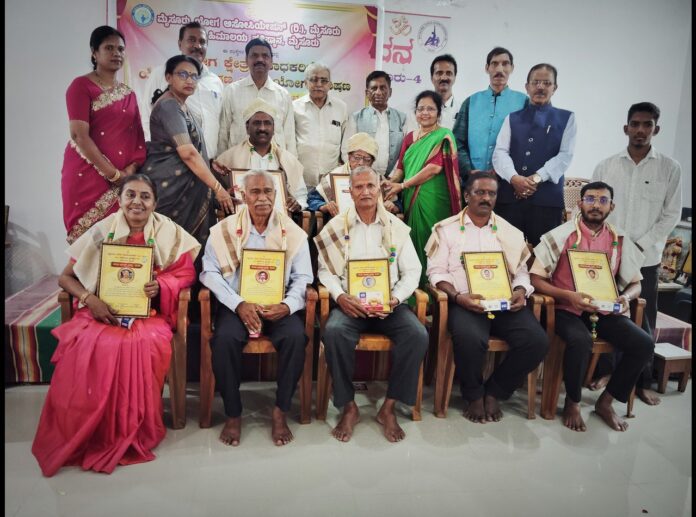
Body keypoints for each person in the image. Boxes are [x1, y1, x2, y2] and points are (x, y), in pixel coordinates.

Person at [32, 174, 200, 476]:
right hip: (102, 310)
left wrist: (161, 285)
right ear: (120, 200)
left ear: (155, 203)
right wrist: (90, 299)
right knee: (88, 342)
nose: (137, 202)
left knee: (139, 343)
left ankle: (132, 427)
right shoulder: (101, 231)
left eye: (145, 196)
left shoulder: (169, 232)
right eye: (130, 194)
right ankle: (91, 425)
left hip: (149, 314)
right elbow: (65, 277)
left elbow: (185, 275)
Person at [200, 170, 313, 447]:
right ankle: (233, 413)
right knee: (224, 340)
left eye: (268, 191)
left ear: (276, 195)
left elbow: (303, 278)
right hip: (238, 304)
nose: (262, 198)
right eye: (255, 192)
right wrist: (238, 304)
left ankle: (280, 410)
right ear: (243, 195)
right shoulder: (224, 231)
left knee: (295, 338)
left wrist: (287, 306)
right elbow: (209, 273)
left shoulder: (292, 233)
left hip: (278, 304)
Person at [530, 181, 653, 431]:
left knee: (643, 343)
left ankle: (606, 402)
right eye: (590, 199)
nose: (596, 205)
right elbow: (535, 279)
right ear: (580, 203)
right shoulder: (561, 235)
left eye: (603, 200)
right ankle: (573, 402)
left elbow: (636, 284)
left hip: (604, 310)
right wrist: (567, 295)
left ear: (611, 207)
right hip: (566, 309)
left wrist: (625, 297)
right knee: (580, 340)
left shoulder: (619, 238)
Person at [315, 166, 427, 442]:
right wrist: (340, 296)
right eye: (359, 187)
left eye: (370, 186)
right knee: (334, 332)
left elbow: (413, 271)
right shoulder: (335, 227)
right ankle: (348, 406)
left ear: (379, 189)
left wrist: (396, 298)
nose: (365, 191)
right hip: (350, 304)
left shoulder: (396, 228)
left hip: (389, 305)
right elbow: (325, 272)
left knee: (417, 335)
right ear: (350, 191)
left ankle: (389, 407)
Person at [426, 172, 548, 423]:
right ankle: (473, 395)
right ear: (466, 195)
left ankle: (495, 391)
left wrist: (520, 291)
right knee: (470, 338)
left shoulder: (510, 232)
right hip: (465, 302)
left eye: (491, 193)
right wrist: (458, 297)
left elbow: (521, 272)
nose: (486, 198)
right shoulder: (446, 230)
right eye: (480, 192)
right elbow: (435, 272)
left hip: (505, 304)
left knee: (536, 341)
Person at [592, 102, 682, 406]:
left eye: (647, 125)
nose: (640, 130)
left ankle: (641, 382)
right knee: (607, 312)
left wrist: (641, 244)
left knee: (644, 320)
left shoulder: (670, 168)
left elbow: (671, 214)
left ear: (656, 129)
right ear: (626, 128)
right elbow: (596, 208)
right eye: (635, 124)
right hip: (609, 256)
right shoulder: (607, 166)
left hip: (646, 258)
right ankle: (607, 373)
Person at [61, 25, 146, 244]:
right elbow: (79, 135)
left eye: (120, 49)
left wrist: (130, 171)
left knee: (119, 240)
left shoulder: (128, 93)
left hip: (123, 178)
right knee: (86, 243)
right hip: (86, 173)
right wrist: (114, 175)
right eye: (109, 48)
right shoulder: (81, 86)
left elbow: (137, 138)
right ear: (94, 52)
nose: (116, 53)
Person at [140, 55, 234, 243]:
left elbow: (192, 148)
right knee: (169, 244)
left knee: (185, 245)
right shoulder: (169, 106)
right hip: (172, 187)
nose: (189, 80)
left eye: (194, 76)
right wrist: (218, 188)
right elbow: (188, 153)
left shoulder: (181, 105)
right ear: (168, 77)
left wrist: (209, 163)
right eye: (183, 75)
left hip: (184, 186)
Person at [492, 63, 576, 246]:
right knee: (507, 253)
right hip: (510, 199)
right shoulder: (512, 118)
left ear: (555, 88)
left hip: (546, 202)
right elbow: (500, 152)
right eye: (535, 82)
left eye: (547, 83)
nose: (540, 87)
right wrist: (514, 178)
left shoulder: (567, 118)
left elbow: (565, 156)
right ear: (527, 86)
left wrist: (537, 178)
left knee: (543, 256)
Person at [385, 90, 462, 287]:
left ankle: (436, 290)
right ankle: (416, 290)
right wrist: (391, 183)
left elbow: (434, 169)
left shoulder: (444, 135)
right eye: (420, 109)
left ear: (439, 112)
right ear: (415, 112)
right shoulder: (410, 137)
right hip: (412, 197)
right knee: (414, 240)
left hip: (434, 199)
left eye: (430, 109)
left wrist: (402, 185)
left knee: (433, 242)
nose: (425, 113)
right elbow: (401, 167)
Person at [139, 22, 223, 158]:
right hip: (172, 160)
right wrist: (153, 152)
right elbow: (147, 115)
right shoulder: (161, 73)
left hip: (208, 161)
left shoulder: (215, 81)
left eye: (202, 42)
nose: (197, 46)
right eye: (191, 40)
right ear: (180, 44)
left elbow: (218, 123)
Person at [214, 98, 308, 214]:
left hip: (279, 220)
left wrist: (297, 204)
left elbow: (301, 195)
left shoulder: (288, 160)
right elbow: (215, 194)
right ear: (247, 127)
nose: (262, 128)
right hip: (240, 220)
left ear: (274, 128)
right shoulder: (228, 159)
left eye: (267, 123)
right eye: (257, 123)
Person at [453, 47, 528, 185]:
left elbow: (528, 143)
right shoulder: (471, 102)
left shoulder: (524, 102)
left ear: (512, 68)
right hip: (473, 182)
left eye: (505, 64)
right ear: (487, 68)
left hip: (509, 183)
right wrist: (468, 170)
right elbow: (457, 142)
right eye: (494, 64)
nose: (499, 69)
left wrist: (505, 171)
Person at [217, 38, 296, 156]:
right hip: (238, 162)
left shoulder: (283, 95)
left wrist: (290, 164)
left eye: (265, 56)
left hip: (274, 163)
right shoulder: (232, 91)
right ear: (246, 60)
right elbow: (223, 133)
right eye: (254, 55)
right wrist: (221, 161)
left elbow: (289, 137)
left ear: (271, 61)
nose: (260, 59)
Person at [309, 133, 400, 217]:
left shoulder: (379, 179)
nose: (361, 163)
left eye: (367, 159)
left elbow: (398, 204)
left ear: (372, 162)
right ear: (349, 157)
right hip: (340, 224)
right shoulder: (334, 176)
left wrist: (392, 206)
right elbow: (312, 199)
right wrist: (324, 206)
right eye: (357, 157)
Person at [293, 63, 348, 189]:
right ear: (305, 83)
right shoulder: (295, 107)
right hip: (301, 181)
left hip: (331, 182)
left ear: (330, 85)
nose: (318, 84)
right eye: (313, 80)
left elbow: (345, 145)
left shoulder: (341, 108)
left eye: (324, 81)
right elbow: (290, 142)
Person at [342, 71, 407, 177]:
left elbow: (406, 152)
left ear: (390, 92)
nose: (378, 92)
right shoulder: (356, 117)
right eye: (374, 88)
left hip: (392, 180)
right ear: (367, 93)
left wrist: (393, 177)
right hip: (362, 178)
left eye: (383, 88)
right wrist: (360, 174)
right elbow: (346, 149)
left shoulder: (402, 118)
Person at [404, 54, 461, 133]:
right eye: (439, 73)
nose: (444, 77)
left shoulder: (462, 109)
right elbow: (412, 136)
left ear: (454, 77)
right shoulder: (418, 109)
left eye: (449, 73)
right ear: (431, 78)